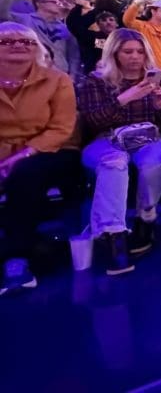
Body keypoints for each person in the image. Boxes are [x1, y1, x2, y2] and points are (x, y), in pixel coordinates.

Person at [77, 29, 161, 275]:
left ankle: (146, 218)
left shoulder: (158, 79)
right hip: (106, 139)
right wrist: (124, 98)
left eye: (140, 52)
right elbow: (93, 122)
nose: (135, 57)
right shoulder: (96, 81)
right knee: (115, 162)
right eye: (128, 51)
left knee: (153, 162)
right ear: (114, 53)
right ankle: (113, 234)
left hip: (148, 137)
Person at [0, 22, 80, 295]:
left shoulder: (57, 80)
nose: (18, 45)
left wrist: (22, 154)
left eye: (26, 41)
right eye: (7, 41)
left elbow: (61, 128)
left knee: (25, 174)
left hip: (53, 151)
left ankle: (17, 259)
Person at [0, 0, 81, 79]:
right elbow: (3, 12)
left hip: (59, 73)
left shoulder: (65, 28)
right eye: (53, 2)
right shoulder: (24, 19)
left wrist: (72, 75)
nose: (58, 4)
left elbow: (74, 53)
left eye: (59, 2)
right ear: (39, 4)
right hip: (31, 72)